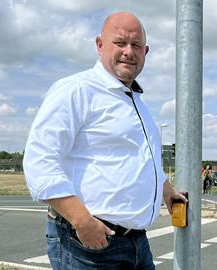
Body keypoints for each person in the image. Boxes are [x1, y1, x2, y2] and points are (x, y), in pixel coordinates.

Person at [23, 12, 186, 270]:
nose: (128, 52)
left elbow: (142, 158)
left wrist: (167, 192)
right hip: (89, 245)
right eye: (120, 43)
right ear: (100, 45)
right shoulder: (76, 90)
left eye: (135, 46)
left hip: (137, 243)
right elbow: (40, 161)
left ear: (146, 51)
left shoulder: (135, 101)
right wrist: (82, 221)